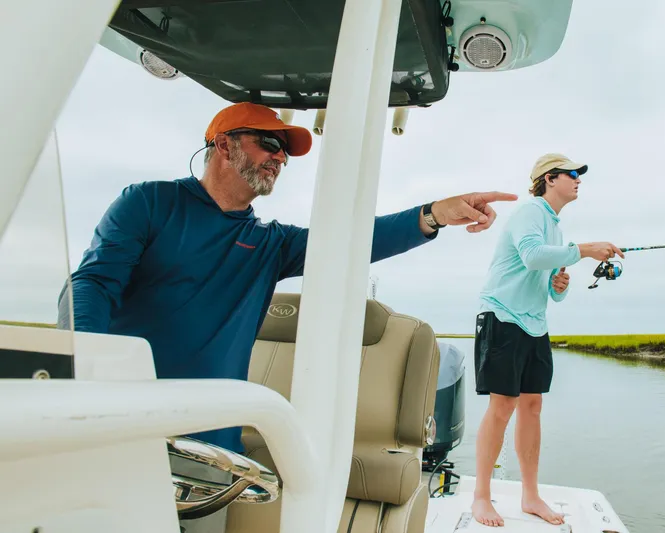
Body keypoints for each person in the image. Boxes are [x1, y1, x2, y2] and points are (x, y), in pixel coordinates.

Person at [57, 102, 516, 532]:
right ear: (224, 144)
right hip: (118, 424)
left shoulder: (271, 244)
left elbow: (354, 240)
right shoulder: (149, 203)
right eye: (269, 144)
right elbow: (93, 283)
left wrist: (433, 214)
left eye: (285, 153)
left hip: (209, 449)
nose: (280, 159)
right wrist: (89, 376)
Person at [471, 153, 624, 527]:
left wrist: (560, 285)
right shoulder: (530, 212)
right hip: (503, 316)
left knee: (532, 406)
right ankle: (480, 497)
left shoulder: (555, 228)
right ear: (550, 178)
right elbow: (533, 255)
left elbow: (551, 287)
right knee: (502, 405)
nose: (578, 180)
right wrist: (585, 250)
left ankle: (530, 495)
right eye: (573, 174)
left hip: (534, 325)